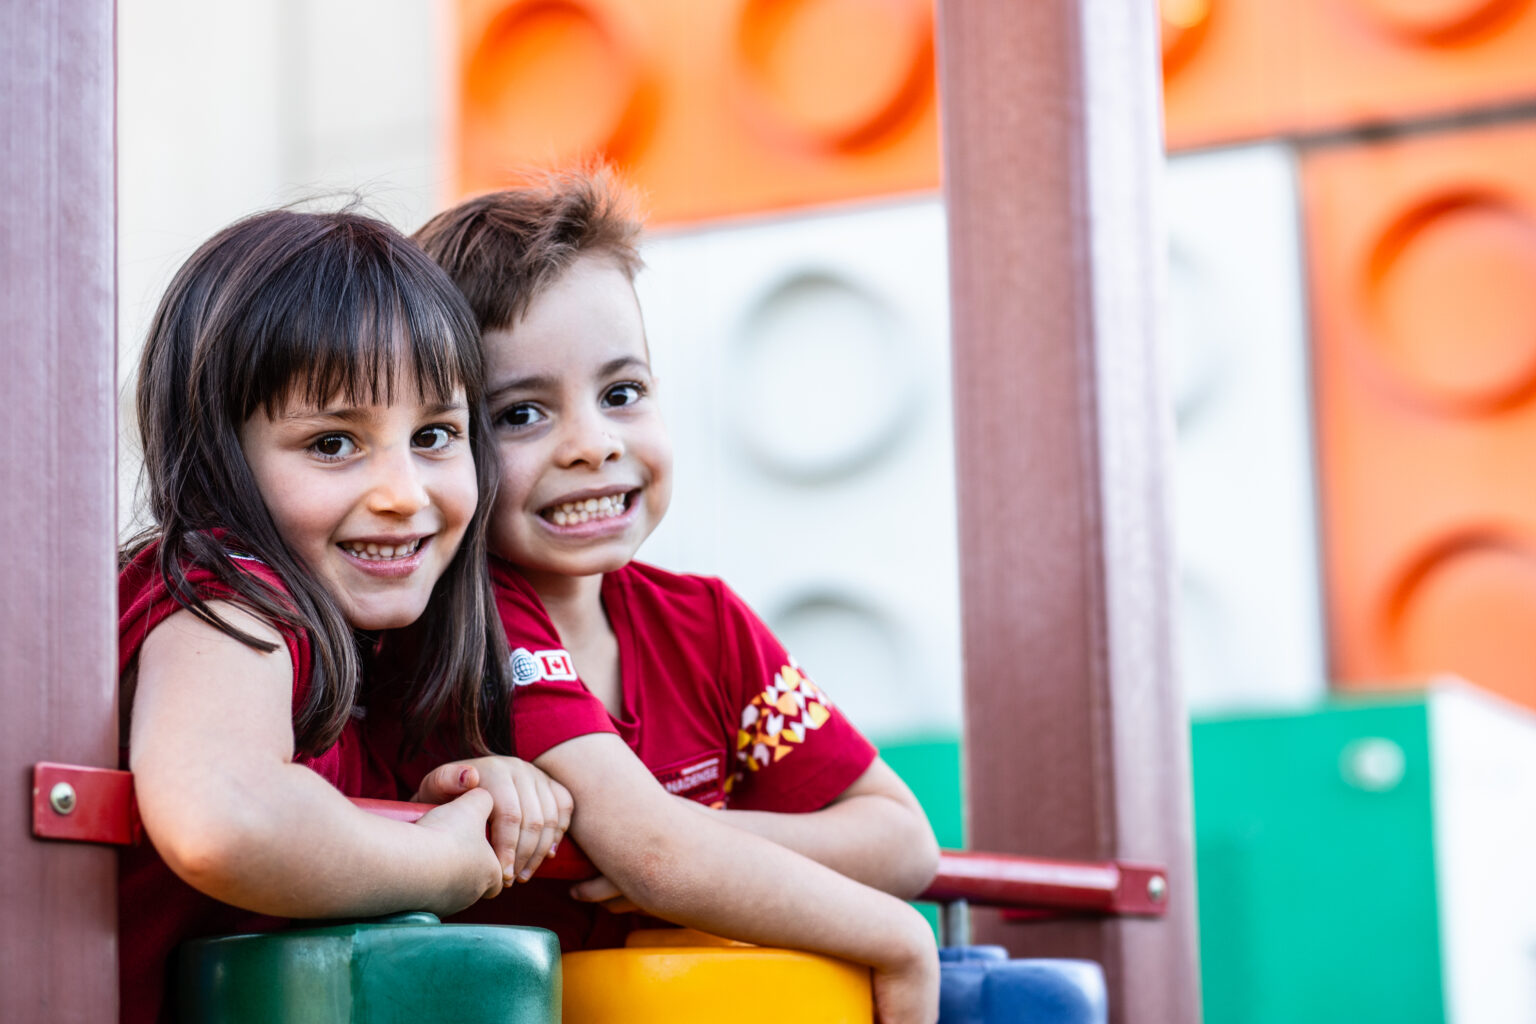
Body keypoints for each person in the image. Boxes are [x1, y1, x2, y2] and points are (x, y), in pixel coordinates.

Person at [414, 172, 941, 1023]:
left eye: (622, 393)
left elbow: (902, 839)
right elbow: (657, 858)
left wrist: (705, 841)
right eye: (520, 415)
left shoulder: (706, 623)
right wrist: (897, 939)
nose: (593, 445)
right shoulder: (465, 617)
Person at [119, 208, 569, 1024]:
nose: (402, 493)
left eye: (435, 434)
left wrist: (465, 789)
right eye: (332, 444)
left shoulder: (376, 648)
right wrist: (435, 858)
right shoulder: (234, 597)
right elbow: (228, 817)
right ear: (219, 453)